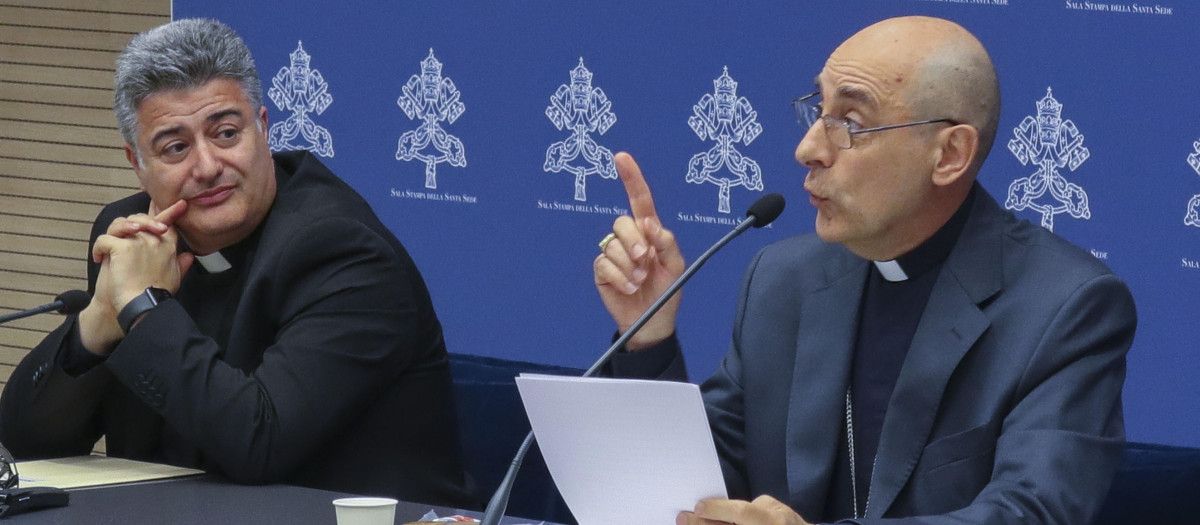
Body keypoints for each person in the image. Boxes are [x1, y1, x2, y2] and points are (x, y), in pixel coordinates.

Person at [593, 16, 1137, 525]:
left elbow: (1029, 512)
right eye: (817, 111)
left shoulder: (1066, 306)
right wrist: (649, 337)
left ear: (949, 154)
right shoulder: (785, 278)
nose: (808, 149)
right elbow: (706, 490)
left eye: (850, 122)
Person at [0, 19, 474, 508]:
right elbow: (31, 446)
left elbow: (259, 442)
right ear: (136, 163)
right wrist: (97, 323)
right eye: (175, 147)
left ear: (263, 129)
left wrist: (142, 308)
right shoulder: (132, 236)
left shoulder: (344, 250)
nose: (207, 166)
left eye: (226, 133)